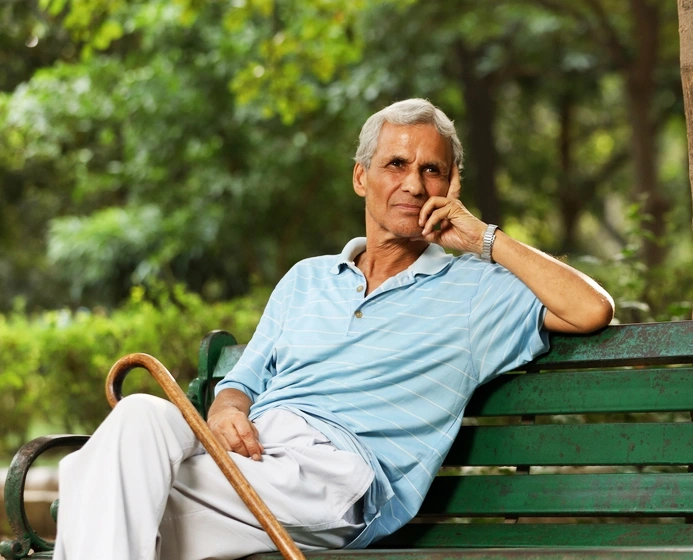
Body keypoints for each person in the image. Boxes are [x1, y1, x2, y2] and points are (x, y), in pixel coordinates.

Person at [53, 98, 614, 560]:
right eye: (396, 164)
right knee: (138, 417)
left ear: (451, 186)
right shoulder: (307, 279)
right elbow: (243, 381)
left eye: (431, 170)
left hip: (338, 477)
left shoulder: (475, 291)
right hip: (255, 456)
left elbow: (591, 310)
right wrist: (226, 408)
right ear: (360, 176)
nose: (414, 185)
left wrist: (486, 240)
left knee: (93, 487)